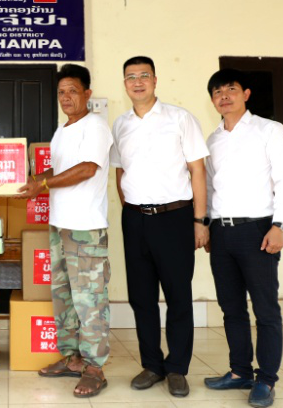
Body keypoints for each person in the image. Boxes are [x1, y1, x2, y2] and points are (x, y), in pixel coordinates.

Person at [111, 56, 209, 397]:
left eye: (144, 75)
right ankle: (152, 364)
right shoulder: (120, 124)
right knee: (141, 297)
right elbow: (119, 171)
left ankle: (177, 367)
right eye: (131, 77)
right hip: (135, 219)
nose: (137, 82)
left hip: (175, 218)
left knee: (178, 296)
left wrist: (200, 220)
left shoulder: (180, 118)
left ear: (155, 80)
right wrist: (131, 209)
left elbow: (198, 171)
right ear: (125, 84)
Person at [19, 64, 113, 398]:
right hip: (60, 225)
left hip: (85, 227)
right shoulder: (63, 130)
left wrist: (42, 184)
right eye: (61, 92)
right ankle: (73, 358)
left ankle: (95, 368)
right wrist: (31, 180)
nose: (66, 97)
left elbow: (87, 169)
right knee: (65, 297)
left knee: (90, 300)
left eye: (73, 90)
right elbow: (58, 170)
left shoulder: (96, 126)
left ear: (88, 93)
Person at [203, 69, 283, 408]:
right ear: (212, 100)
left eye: (231, 89)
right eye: (217, 92)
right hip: (221, 232)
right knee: (231, 308)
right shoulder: (212, 140)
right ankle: (240, 371)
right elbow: (209, 186)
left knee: (265, 309)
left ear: (246, 94)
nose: (224, 96)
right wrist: (207, 225)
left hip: (258, 230)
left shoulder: (269, 129)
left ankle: (266, 380)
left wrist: (280, 225)